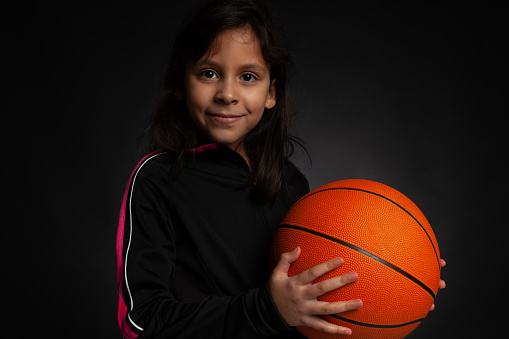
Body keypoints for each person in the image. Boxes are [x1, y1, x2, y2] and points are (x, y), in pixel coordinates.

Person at [116, 1, 446, 338]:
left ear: (270, 92)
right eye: (208, 73)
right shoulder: (158, 179)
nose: (227, 94)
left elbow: (309, 304)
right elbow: (141, 322)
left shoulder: (290, 184)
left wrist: (401, 282)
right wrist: (266, 309)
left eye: (248, 77)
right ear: (180, 85)